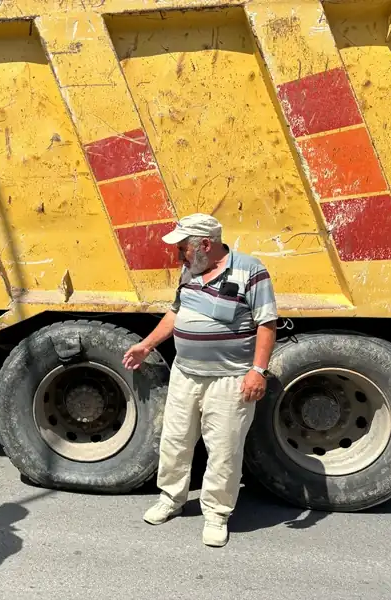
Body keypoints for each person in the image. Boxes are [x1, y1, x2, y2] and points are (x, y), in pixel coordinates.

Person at [122, 213, 277, 548]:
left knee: (223, 449)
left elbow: (267, 324)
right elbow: (176, 312)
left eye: (183, 248)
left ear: (205, 244)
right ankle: (171, 498)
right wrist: (147, 345)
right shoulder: (190, 269)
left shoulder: (251, 270)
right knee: (175, 440)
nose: (179, 255)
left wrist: (258, 371)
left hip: (229, 380)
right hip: (185, 374)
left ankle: (217, 514)